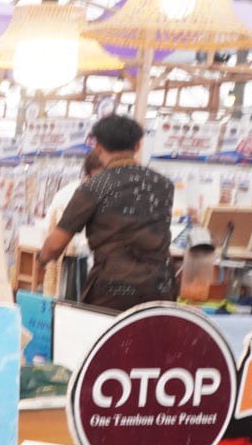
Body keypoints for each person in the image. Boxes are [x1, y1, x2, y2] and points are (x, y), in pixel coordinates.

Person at [37, 115, 175, 311]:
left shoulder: (95, 186)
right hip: (160, 287)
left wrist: (41, 261)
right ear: (137, 145)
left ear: (98, 147)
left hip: (113, 290)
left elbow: (55, 245)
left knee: (107, 332)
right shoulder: (163, 184)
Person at [41, 149, 103, 300]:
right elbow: (51, 238)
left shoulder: (67, 193)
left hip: (85, 275)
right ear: (88, 175)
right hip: (74, 272)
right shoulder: (70, 195)